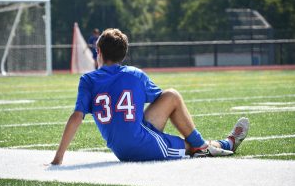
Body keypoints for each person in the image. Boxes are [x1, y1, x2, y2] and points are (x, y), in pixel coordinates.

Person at [51, 29, 249, 164]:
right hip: (138, 146)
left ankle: (203, 145)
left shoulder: (87, 80)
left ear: (98, 51)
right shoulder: (134, 74)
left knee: (171, 96)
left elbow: (77, 116)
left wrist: (58, 157)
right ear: (124, 54)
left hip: (125, 144)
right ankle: (221, 143)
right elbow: (164, 101)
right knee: (190, 139)